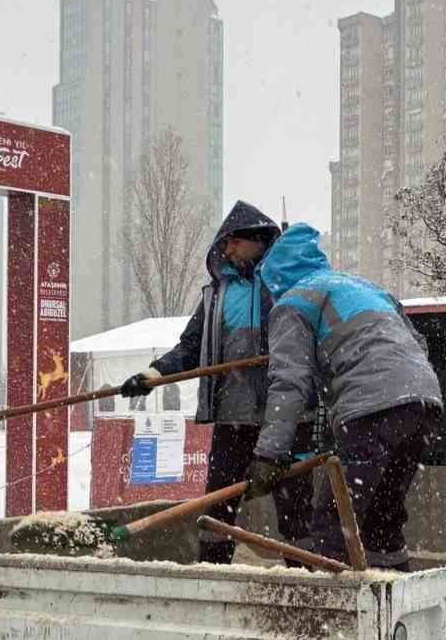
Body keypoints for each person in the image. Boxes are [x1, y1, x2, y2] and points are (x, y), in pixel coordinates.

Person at [120, 201, 314, 564]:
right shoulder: (215, 295)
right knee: (217, 505)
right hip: (232, 417)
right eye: (224, 245)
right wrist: (155, 374)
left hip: (285, 418)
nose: (228, 250)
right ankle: (214, 572)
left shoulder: (285, 284)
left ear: (258, 241)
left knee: (295, 507)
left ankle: (306, 580)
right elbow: (191, 345)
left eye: (234, 242)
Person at [243, 223, 442, 571]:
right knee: (383, 516)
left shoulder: (292, 304)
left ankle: (325, 618)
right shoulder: (365, 287)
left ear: (274, 278)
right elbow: (417, 345)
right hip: (423, 402)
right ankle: (395, 599)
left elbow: (289, 383)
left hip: (371, 409)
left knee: (334, 524)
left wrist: (269, 455)